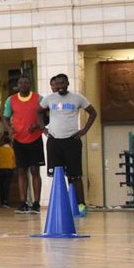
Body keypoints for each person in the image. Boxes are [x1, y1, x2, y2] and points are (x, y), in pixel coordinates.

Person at [38, 74, 97, 217]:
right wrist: (43, 129)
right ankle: (59, 205)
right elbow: (38, 112)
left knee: (75, 176)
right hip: (54, 141)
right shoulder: (49, 98)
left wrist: (84, 131)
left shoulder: (77, 98)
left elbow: (93, 113)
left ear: (68, 83)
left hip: (72, 140)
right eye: (57, 84)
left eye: (62, 83)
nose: (60, 86)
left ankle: (80, 205)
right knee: (57, 175)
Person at [3, 75, 44, 214]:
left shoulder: (39, 98)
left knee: (34, 171)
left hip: (35, 138)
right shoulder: (11, 100)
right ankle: (23, 202)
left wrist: (38, 124)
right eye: (21, 83)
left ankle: (37, 203)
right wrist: (9, 129)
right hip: (19, 139)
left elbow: (46, 116)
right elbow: (5, 117)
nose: (24, 85)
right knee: (21, 171)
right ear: (18, 85)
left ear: (30, 84)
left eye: (26, 82)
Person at [0, 134, 15, 208]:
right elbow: (14, 160)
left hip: (0, 169)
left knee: (1, 186)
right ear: (9, 143)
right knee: (7, 186)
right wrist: (13, 166)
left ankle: (3, 201)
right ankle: (6, 202)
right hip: (9, 170)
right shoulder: (12, 150)